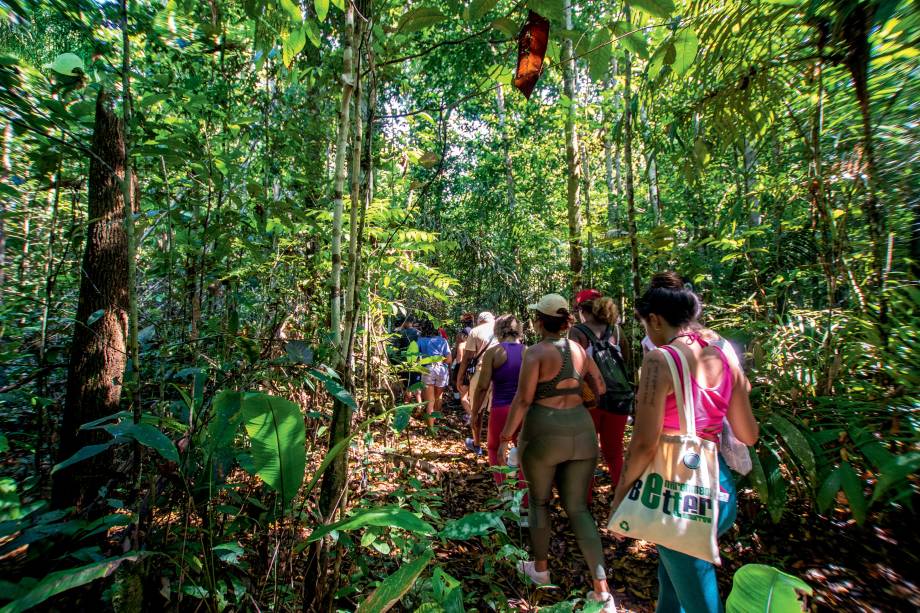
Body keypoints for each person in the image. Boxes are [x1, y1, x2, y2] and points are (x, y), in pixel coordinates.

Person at [609, 272, 759, 613]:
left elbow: (644, 445)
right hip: (719, 488)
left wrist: (620, 499)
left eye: (646, 324)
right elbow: (748, 434)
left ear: (656, 319)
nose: (647, 332)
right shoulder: (724, 354)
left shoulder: (660, 360)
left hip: (679, 498)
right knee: (672, 580)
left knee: (699, 600)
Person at [497, 294, 617, 612]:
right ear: (564, 322)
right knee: (578, 508)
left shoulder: (535, 353)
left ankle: (540, 567)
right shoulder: (578, 349)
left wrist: (505, 436)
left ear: (539, 321)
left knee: (539, 501)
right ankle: (602, 591)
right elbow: (600, 386)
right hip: (581, 431)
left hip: (544, 431)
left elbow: (523, 400)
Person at [569, 289, 629, 486]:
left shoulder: (577, 332)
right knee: (614, 453)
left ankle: (583, 502)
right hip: (619, 399)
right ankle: (621, 501)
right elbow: (625, 362)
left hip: (590, 400)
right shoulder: (617, 331)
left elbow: (574, 368)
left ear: (581, 310)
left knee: (586, 452)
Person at [472, 314, 526, 486]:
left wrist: (474, 413)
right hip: (524, 409)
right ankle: (524, 500)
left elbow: (482, 387)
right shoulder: (528, 351)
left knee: (494, 448)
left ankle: (504, 492)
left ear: (498, 330)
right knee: (524, 450)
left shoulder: (493, 353)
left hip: (501, 408)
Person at [456, 311, 497, 454]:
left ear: (479, 321)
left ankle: (477, 444)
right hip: (499, 374)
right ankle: (495, 445)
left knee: (476, 411)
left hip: (480, 373)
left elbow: (467, 358)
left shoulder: (475, 331)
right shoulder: (501, 330)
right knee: (495, 411)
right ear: (493, 319)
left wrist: (460, 378)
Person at [417, 319, 452, 429]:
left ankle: (431, 429)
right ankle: (435, 420)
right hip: (441, 369)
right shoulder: (443, 341)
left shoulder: (420, 340)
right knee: (437, 397)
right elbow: (449, 359)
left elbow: (416, 358)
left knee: (430, 401)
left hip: (427, 369)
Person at [391, 315, 421, 405]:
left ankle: (405, 405)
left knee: (406, 384)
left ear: (407, 322)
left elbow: (394, 349)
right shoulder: (419, 333)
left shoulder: (400, 333)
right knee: (414, 385)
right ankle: (418, 405)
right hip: (415, 361)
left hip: (403, 362)